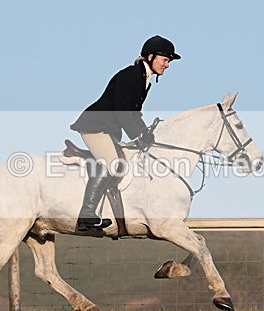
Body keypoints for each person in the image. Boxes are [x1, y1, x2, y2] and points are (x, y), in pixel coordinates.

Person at [69, 35, 181, 231]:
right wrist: (137, 135)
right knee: (113, 163)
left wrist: (144, 132)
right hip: (94, 126)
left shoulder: (144, 79)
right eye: (165, 60)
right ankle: (87, 213)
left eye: (168, 61)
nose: (167, 65)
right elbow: (122, 111)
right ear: (151, 56)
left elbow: (133, 113)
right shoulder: (130, 76)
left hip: (108, 129)